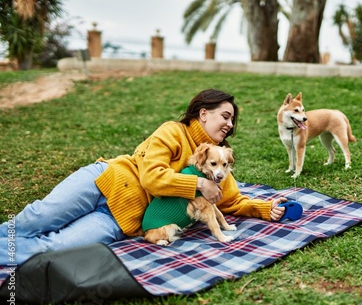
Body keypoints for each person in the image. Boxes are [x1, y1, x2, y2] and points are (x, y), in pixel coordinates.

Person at [0, 89, 286, 266]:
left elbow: (231, 200)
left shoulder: (219, 163)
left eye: (233, 120)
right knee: (34, 219)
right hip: (105, 181)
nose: (230, 124)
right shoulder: (173, 131)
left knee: (54, 248)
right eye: (225, 116)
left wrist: (263, 208)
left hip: (120, 221)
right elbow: (151, 177)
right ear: (203, 113)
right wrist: (198, 183)